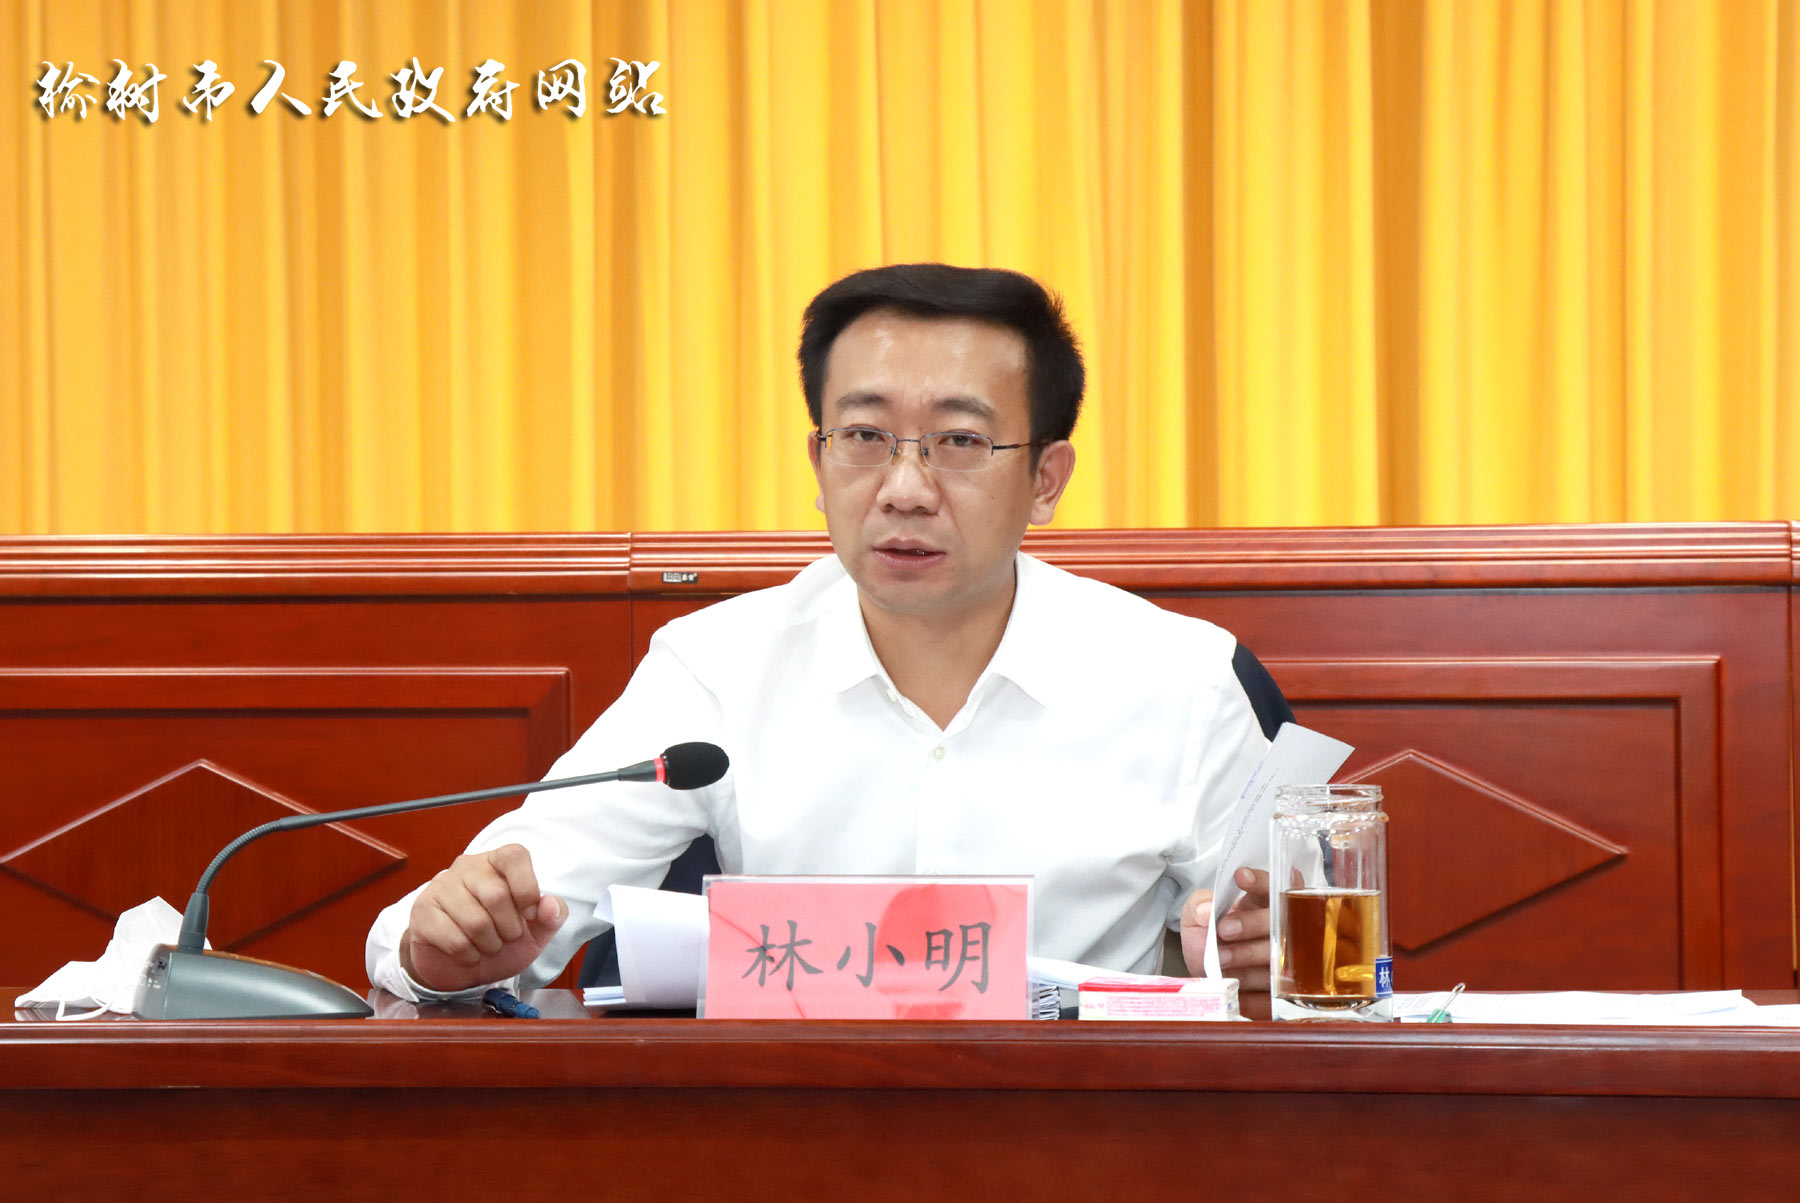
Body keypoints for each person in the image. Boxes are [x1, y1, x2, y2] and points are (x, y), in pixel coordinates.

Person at [365, 264, 1278, 1001]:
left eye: (961, 442)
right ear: (819, 459)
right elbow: (496, 906)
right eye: (865, 436)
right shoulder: (718, 667)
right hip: (786, 1129)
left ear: (1046, 478)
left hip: (1080, 1132)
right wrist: (439, 950)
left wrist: (1260, 954)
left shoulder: (1186, 681)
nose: (905, 489)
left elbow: (1286, 947)